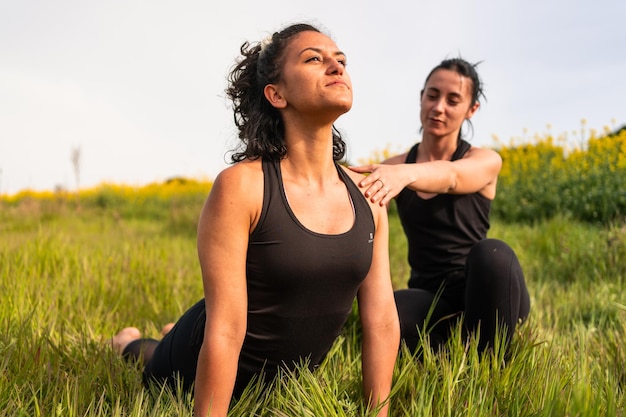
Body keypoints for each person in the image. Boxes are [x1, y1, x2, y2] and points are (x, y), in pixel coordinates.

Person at [112, 23, 399, 417]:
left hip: (282, 382)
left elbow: (381, 320)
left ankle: (164, 334)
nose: (335, 66)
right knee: (151, 358)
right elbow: (226, 330)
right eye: (314, 58)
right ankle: (128, 342)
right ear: (276, 93)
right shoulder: (242, 187)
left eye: (341, 60)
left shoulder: (368, 194)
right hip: (198, 366)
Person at [350, 57, 530, 355]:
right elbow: (343, 187)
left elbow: (451, 176)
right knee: (390, 310)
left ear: (471, 110)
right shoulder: (395, 168)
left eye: (453, 100)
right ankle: (452, 348)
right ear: (421, 97)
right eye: (432, 95)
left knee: (493, 253)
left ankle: (488, 360)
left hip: (488, 292)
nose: (439, 107)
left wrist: (404, 175)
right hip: (432, 299)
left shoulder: (484, 160)